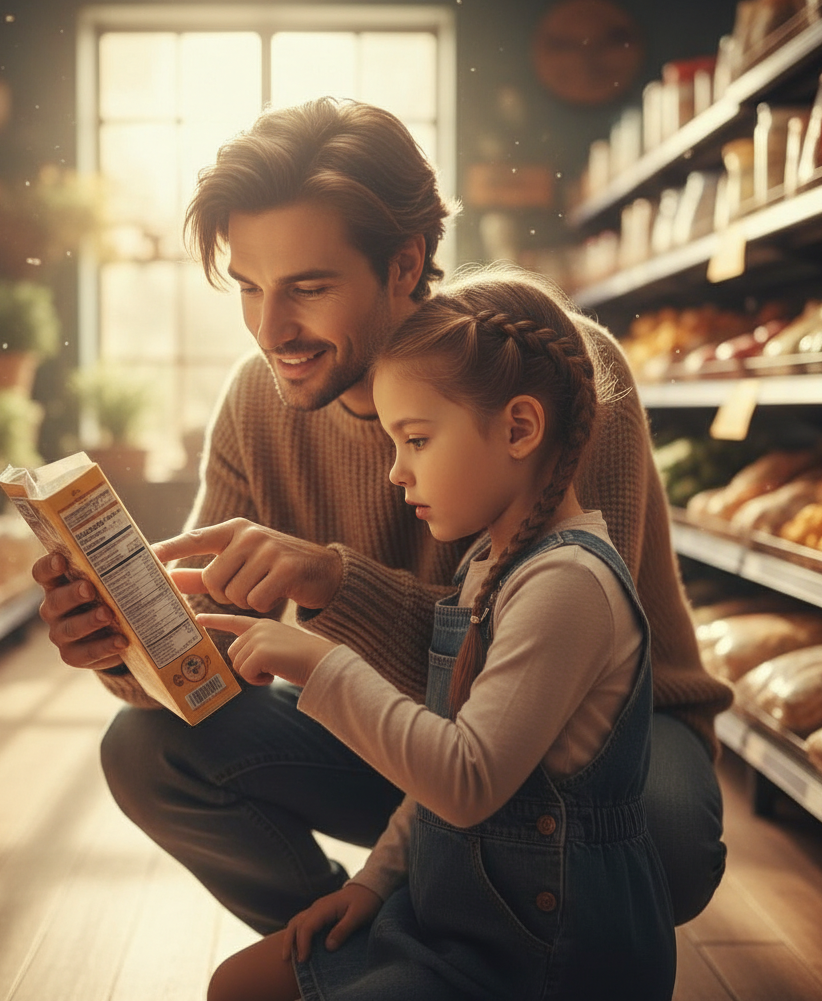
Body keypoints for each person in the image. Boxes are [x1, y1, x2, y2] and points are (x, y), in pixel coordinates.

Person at [31, 97, 733, 933]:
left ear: (405, 265)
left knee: (666, 842)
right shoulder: (259, 403)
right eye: (249, 289)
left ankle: (430, 943)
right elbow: (206, 660)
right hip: (398, 738)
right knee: (147, 751)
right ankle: (344, 945)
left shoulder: (555, 376)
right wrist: (123, 642)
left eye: (309, 288)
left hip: (593, 746)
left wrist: (334, 582)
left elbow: (557, 652)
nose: (269, 329)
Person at [201, 272, 677, 1001]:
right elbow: (434, 774)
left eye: (416, 439)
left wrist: (324, 665)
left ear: (519, 428)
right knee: (237, 985)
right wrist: (373, 881)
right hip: (456, 919)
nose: (396, 471)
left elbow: (463, 781)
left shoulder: (568, 586)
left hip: (543, 956)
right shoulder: (488, 565)